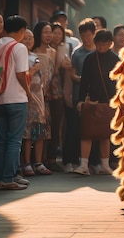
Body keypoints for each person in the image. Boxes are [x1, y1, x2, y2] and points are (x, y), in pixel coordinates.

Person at [0, 15, 31, 190]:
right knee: (14, 140)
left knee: (0, 140)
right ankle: (8, 178)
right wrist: (28, 92)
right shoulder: (19, 47)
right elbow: (21, 74)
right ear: (22, 31)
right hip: (17, 98)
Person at [75, 30, 119, 176]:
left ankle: (105, 165)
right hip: (92, 101)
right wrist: (81, 100)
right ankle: (84, 165)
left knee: (105, 135)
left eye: (104, 44)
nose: (101, 47)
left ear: (110, 44)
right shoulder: (90, 58)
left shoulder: (116, 59)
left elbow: (120, 82)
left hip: (109, 102)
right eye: (98, 44)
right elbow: (84, 81)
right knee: (86, 134)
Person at [66, 18, 96, 173]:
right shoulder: (77, 53)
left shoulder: (99, 51)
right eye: (83, 35)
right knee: (79, 129)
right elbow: (72, 75)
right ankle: (78, 160)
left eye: (89, 35)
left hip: (97, 96)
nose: (86, 38)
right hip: (79, 94)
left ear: (94, 34)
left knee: (97, 130)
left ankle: (94, 162)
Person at [21, 26, 51, 177]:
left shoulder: (36, 56)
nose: (28, 40)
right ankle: (26, 162)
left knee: (39, 131)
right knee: (27, 133)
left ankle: (38, 162)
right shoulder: (20, 56)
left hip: (38, 96)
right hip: (25, 96)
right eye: (25, 38)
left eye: (30, 38)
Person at [45, 23, 72, 172]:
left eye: (58, 33)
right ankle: (42, 159)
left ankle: (52, 158)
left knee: (56, 125)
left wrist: (66, 65)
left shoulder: (64, 49)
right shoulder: (43, 50)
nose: (55, 36)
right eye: (52, 33)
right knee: (44, 125)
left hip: (58, 90)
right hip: (45, 89)